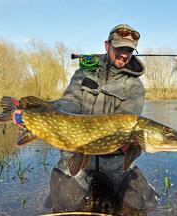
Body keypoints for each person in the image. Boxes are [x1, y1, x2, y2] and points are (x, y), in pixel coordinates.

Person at [45, 24, 158, 213]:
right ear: (107, 45)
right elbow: (69, 102)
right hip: (77, 153)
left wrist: (133, 147)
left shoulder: (134, 86)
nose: (124, 54)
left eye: (129, 50)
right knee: (64, 203)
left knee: (143, 202)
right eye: (120, 48)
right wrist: (45, 112)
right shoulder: (84, 73)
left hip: (114, 159)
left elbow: (126, 124)